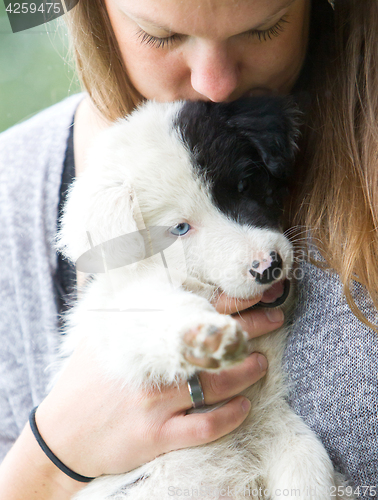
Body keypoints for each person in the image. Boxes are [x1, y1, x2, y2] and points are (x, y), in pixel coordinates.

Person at [0, 0, 377, 498]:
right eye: (161, 35)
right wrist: (51, 455)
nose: (214, 83)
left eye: (266, 26)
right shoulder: (20, 189)